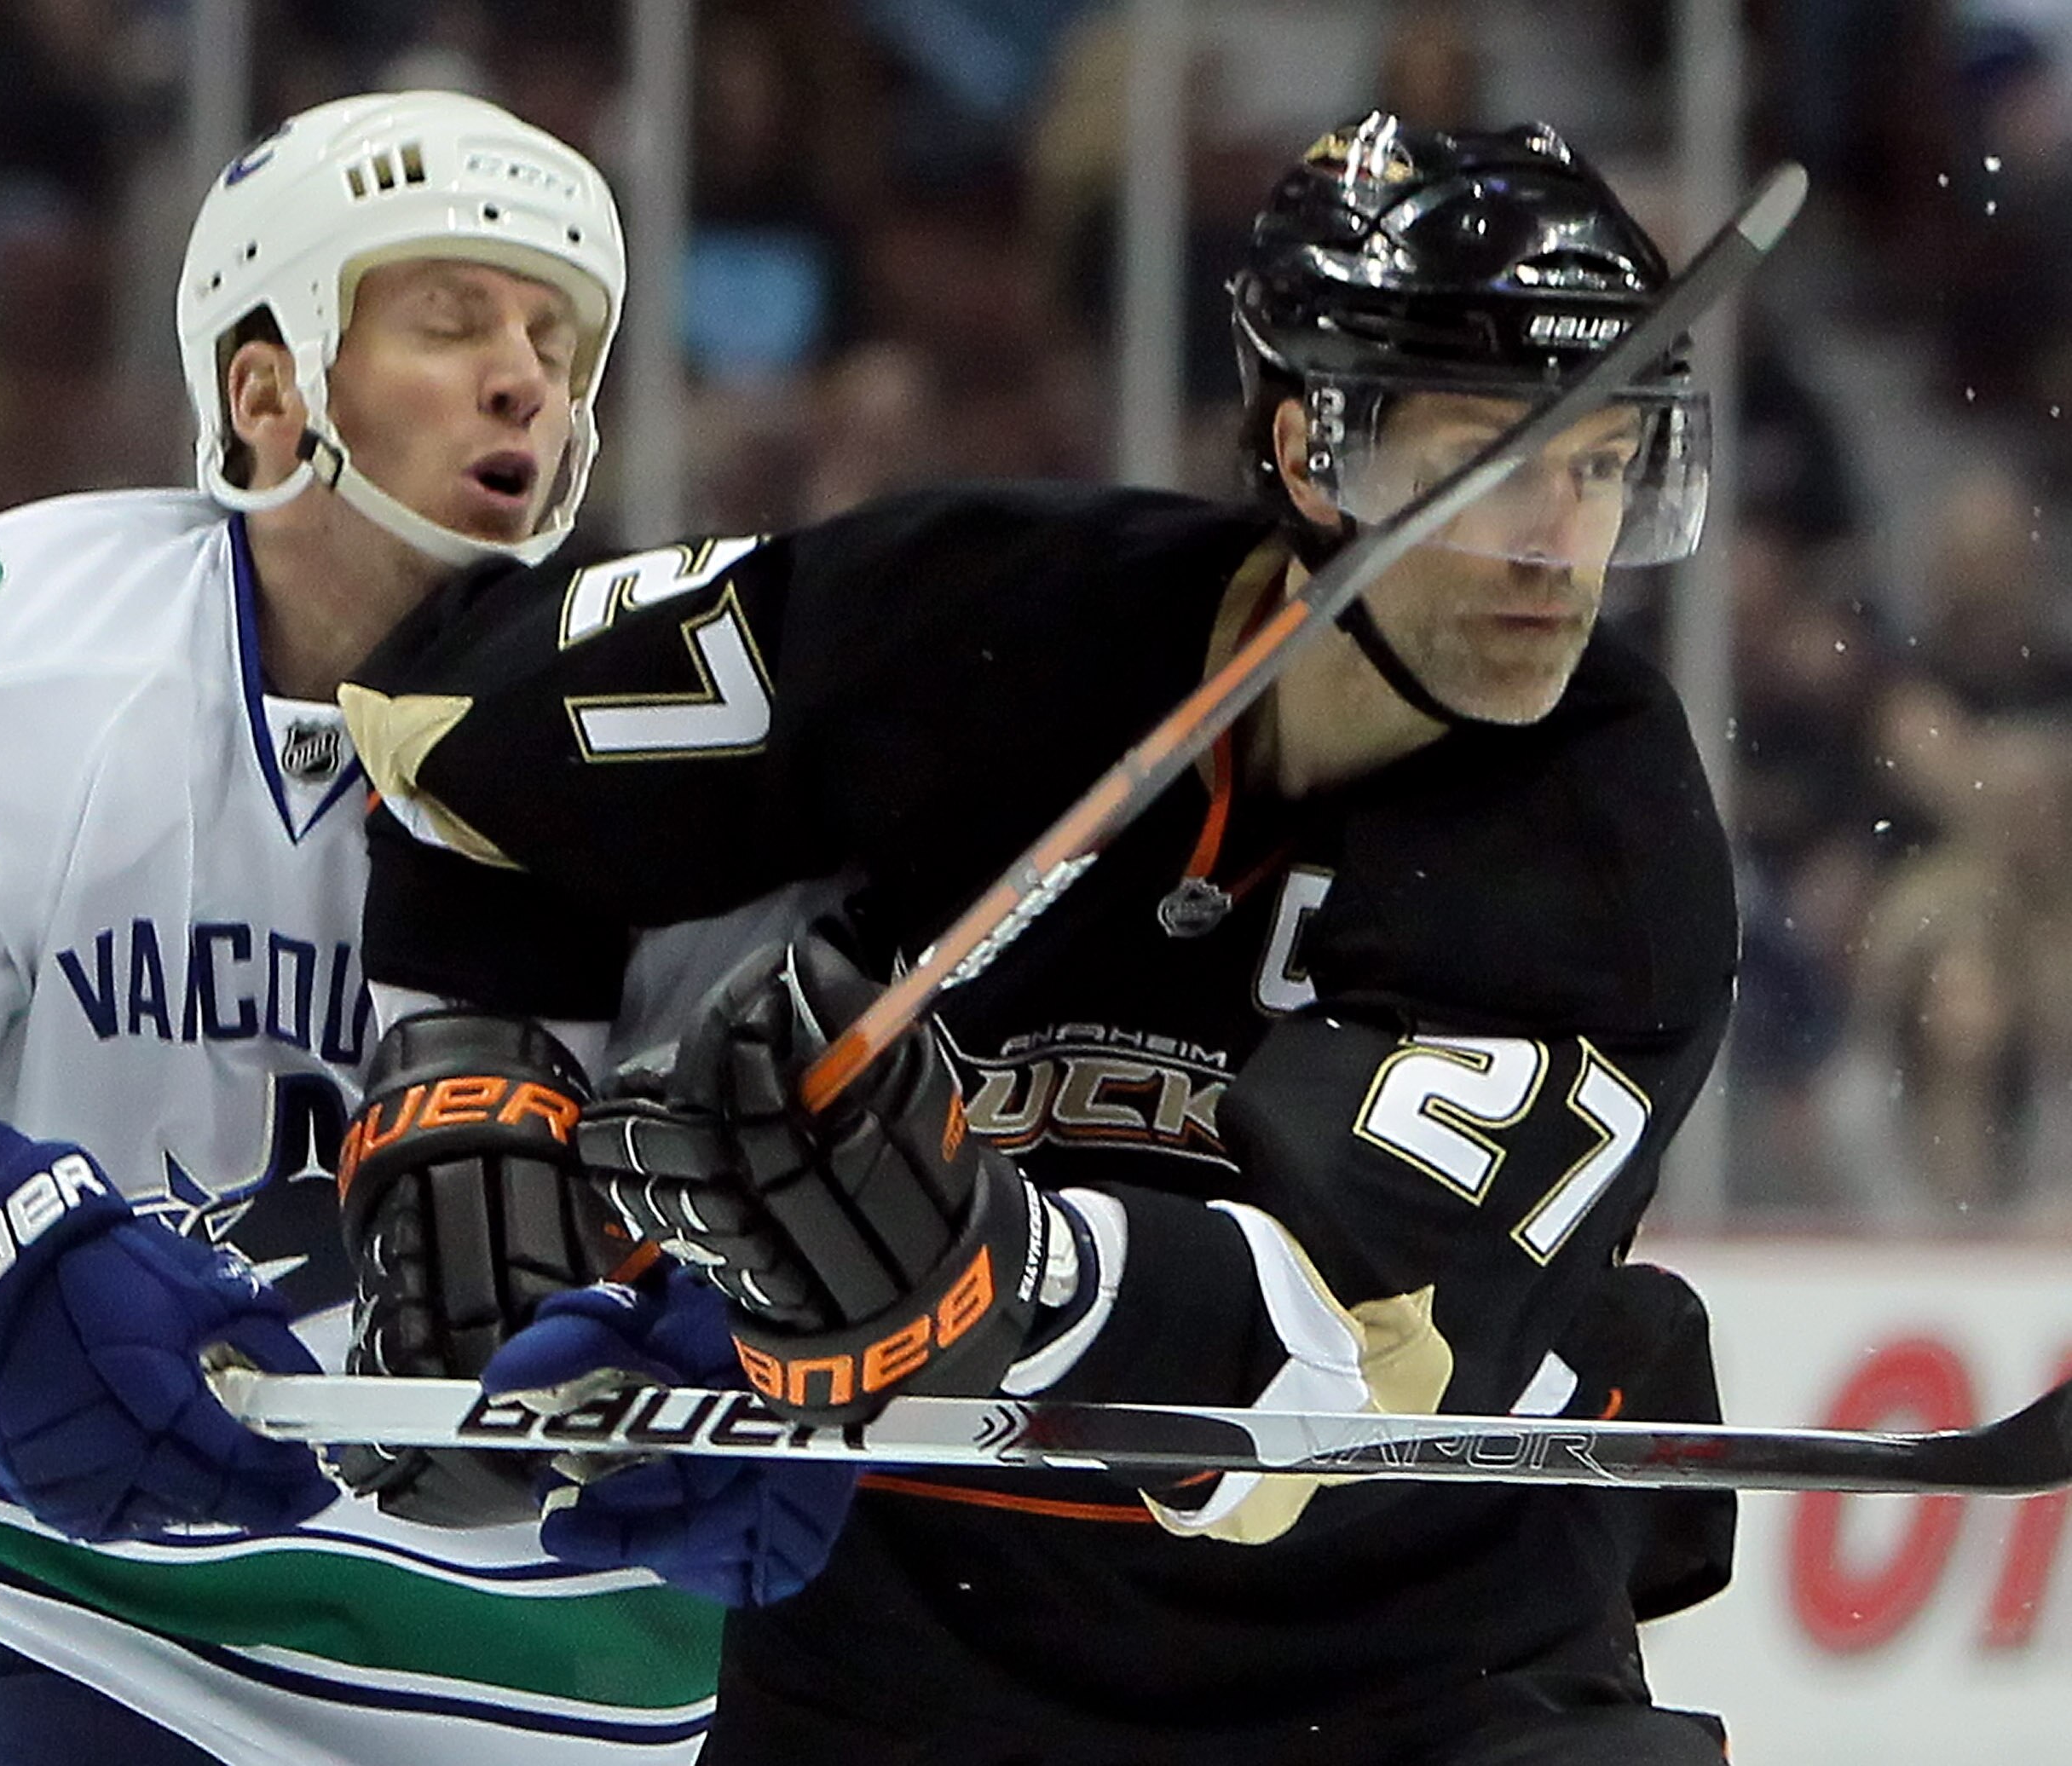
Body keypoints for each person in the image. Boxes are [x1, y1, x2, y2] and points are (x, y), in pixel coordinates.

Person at [336, 114, 1743, 1764]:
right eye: (1494, 461)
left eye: (1603, 467)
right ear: (1311, 451)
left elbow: (1334, 1355)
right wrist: (477, 1071)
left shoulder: (1616, 854)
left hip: (1422, 1679)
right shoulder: (988, 621)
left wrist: (998, 1264)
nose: (1559, 549)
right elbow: (453, 739)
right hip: (906, 1663)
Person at [0, 91, 730, 1764]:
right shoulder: (1, 668)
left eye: (558, 336)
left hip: (551, 1681)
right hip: (47, 1608)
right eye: (452, 319)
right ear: (266, 387)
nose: (529, 378)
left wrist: (776, 1373)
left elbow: (843, 1197)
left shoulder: (716, 751)